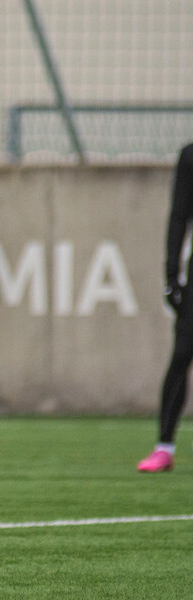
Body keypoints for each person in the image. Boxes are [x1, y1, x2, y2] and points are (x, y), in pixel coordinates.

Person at [137, 142, 193, 473]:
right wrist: (172, 274)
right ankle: (164, 447)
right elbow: (179, 215)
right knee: (182, 352)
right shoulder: (190, 156)